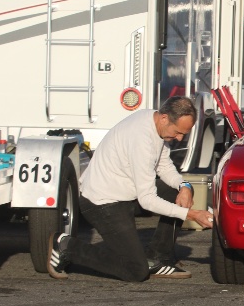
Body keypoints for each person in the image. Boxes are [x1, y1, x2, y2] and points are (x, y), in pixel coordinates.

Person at [47, 97, 214, 280]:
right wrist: (192, 215)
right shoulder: (141, 140)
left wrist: (185, 186)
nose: (179, 138)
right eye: (177, 132)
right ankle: (67, 247)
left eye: (183, 134)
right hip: (102, 203)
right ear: (164, 118)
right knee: (135, 270)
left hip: (126, 195)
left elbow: (164, 166)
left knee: (178, 193)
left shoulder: (154, 122)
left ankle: (158, 258)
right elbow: (147, 200)